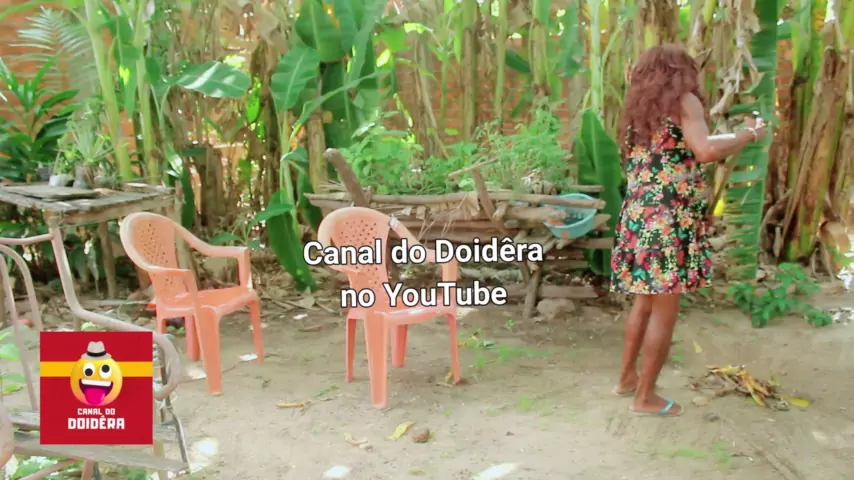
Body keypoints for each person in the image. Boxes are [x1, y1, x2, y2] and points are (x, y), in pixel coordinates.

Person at [610, 44, 767, 416]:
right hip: (669, 221)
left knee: (644, 302)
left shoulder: (638, 111)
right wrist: (748, 135)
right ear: (682, 72)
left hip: (638, 216)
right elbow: (705, 150)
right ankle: (644, 398)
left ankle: (627, 379)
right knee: (665, 310)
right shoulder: (685, 102)